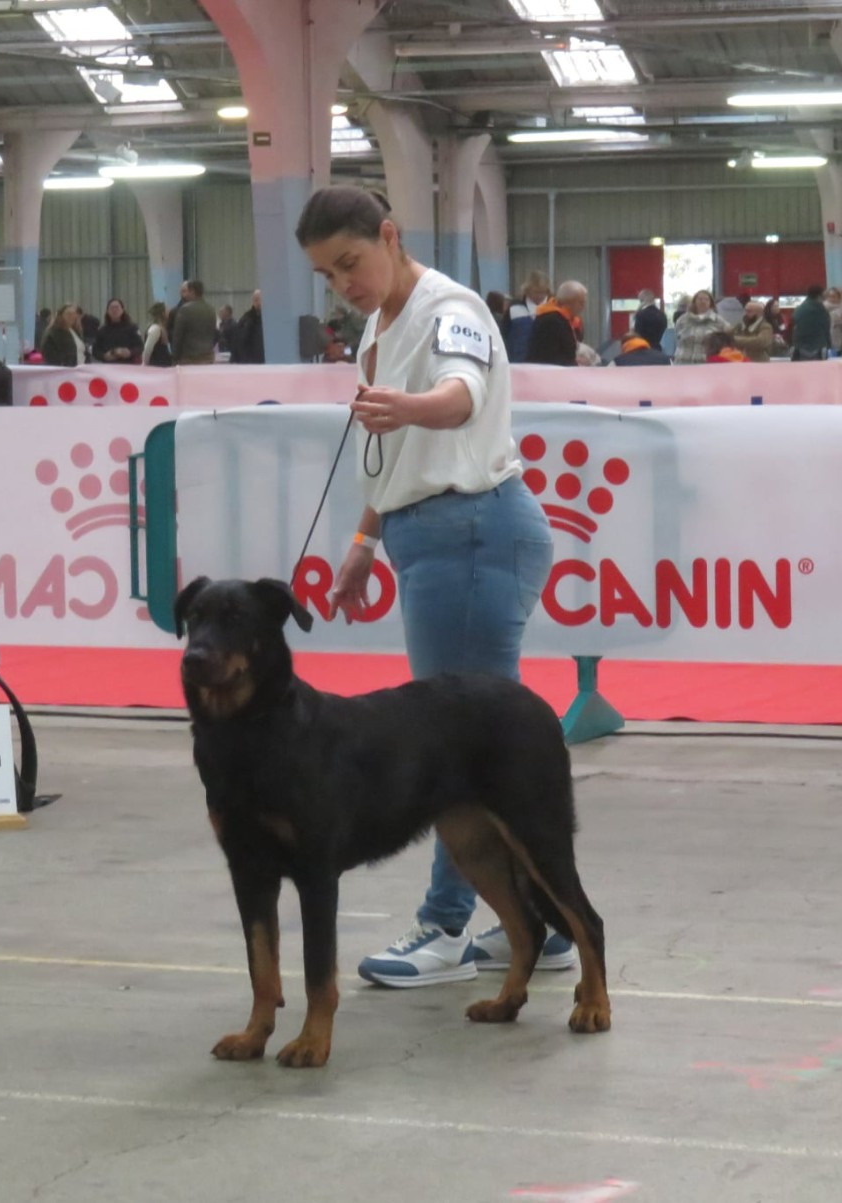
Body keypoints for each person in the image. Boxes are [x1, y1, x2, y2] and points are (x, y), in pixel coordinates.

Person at [295, 185, 572, 987]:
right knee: (473, 741)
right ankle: (541, 925)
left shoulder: (451, 309)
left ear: (390, 235)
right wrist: (363, 540)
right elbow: (391, 459)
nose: (343, 284)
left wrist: (409, 405)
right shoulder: (377, 328)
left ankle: (447, 926)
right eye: (326, 274)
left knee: (458, 746)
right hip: (432, 535)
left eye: (350, 262)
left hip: (472, 531)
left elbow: (462, 397)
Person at [526, 281, 586, 366]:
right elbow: (548, 356)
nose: (583, 307)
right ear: (568, 303)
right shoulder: (550, 321)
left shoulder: (572, 320)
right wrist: (575, 363)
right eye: (581, 303)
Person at [672, 290, 730, 365]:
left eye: (706, 299)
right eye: (700, 299)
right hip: (683, 363)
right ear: (694, 302)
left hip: (707, 364)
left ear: (711, 303)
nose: (703, 301)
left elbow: (728, 340)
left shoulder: (719, 321)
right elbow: (677, 339)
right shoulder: (682, 320)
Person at [504, 270, 550, 363]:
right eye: (536, 292)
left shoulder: (554, 307)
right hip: (518, 361)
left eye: (543, 292)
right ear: (527, 291)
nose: (540, 296)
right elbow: (504, 333)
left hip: (547, 363)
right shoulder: (514, 307)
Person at [172, 279, 218, 365]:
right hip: (208, 357)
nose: (186, 295)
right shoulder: (211, 309)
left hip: (189, 359)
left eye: (188, 291)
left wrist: (175, 358)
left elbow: (178, 337)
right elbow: (215, 333)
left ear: (193, 292)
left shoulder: (184, 310)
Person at [90, 298, 143, 364]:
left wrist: (130, 352)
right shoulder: (102, 330)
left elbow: (140, 347)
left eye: (117, 307)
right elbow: (95, 350)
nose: (114, 310)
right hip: (108, 366)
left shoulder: (132, 328)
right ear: (107, 311)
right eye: (112, 308)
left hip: (128, 365)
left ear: (122, 310)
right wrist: (104, 356)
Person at [790, 284, 831, 361]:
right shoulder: (821, 310)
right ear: (819, 295)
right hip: (818, 346)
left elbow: (793, 326)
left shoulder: (799, 309)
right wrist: (828, 344)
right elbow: (826, 328)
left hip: (799, 346)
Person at [230, 290, 265, 364]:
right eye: (256, 300)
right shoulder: (246, 318)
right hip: (248, 360)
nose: (258, 303)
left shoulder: (271, 320)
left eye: (260, 300)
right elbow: (237, 340)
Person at [141, 301, 172, 367]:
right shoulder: (155, 328)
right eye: (167, 310)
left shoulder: (162, 328)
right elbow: (148, 349)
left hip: (163, 363)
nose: (169, 312)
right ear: (163, 313)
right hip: (156, 364)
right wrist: (145, 363)